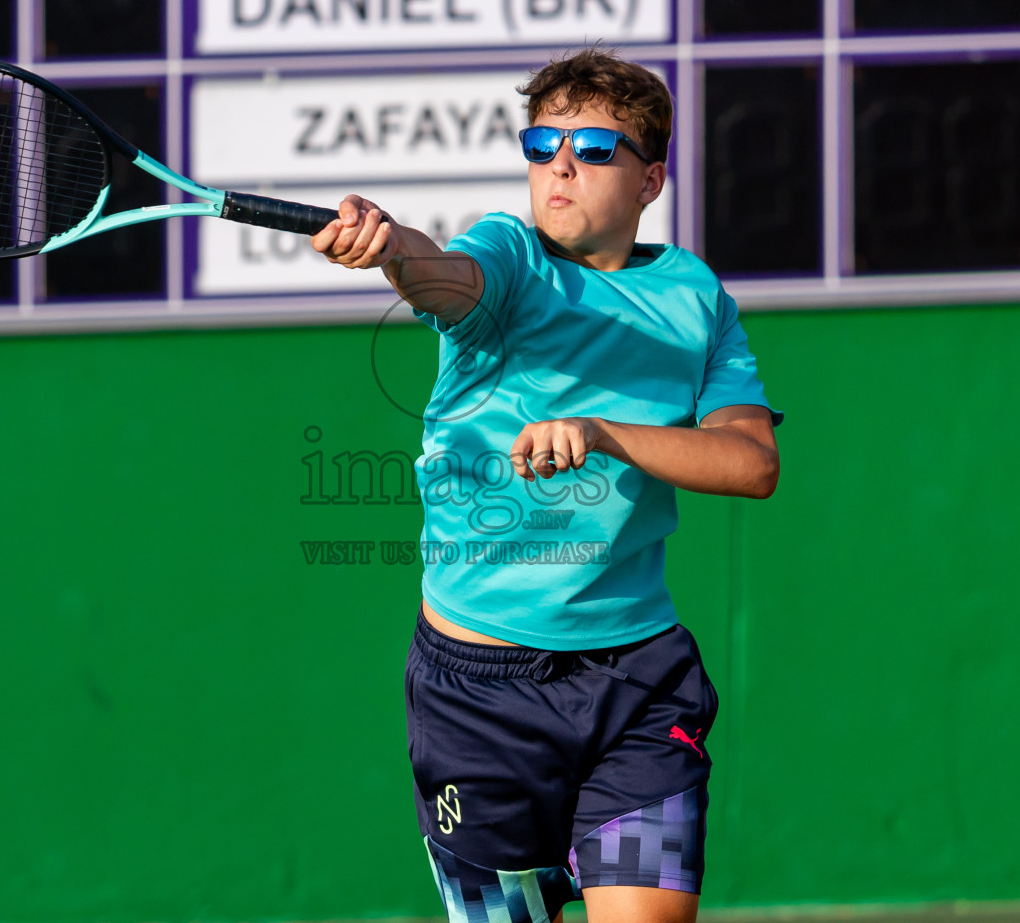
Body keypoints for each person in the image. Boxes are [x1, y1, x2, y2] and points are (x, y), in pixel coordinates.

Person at [309, 48, 785, 923]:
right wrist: (391, 248)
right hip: (479, 691)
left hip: (638, 682)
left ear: (651, 180)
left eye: (596, 148)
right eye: (543, 143)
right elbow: (441, 275)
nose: (561, 164)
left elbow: (751, 463)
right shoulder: (510, 257)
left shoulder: (694, 295)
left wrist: (606, 436)